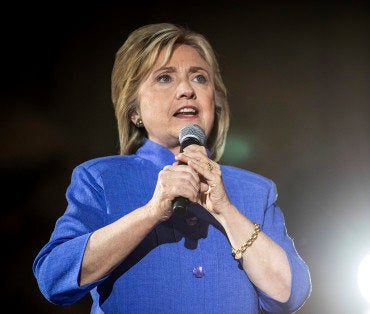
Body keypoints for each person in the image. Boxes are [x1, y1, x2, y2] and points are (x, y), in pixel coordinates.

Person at [32, 22, 311, 313]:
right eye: (165, 78)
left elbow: (289, 295)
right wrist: (152, 212)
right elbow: (54, 278)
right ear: (134, 110)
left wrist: (225, 210)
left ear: (214, 101)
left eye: (200, 78)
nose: (187, 90)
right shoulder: (101, 178)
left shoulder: (255, 190)